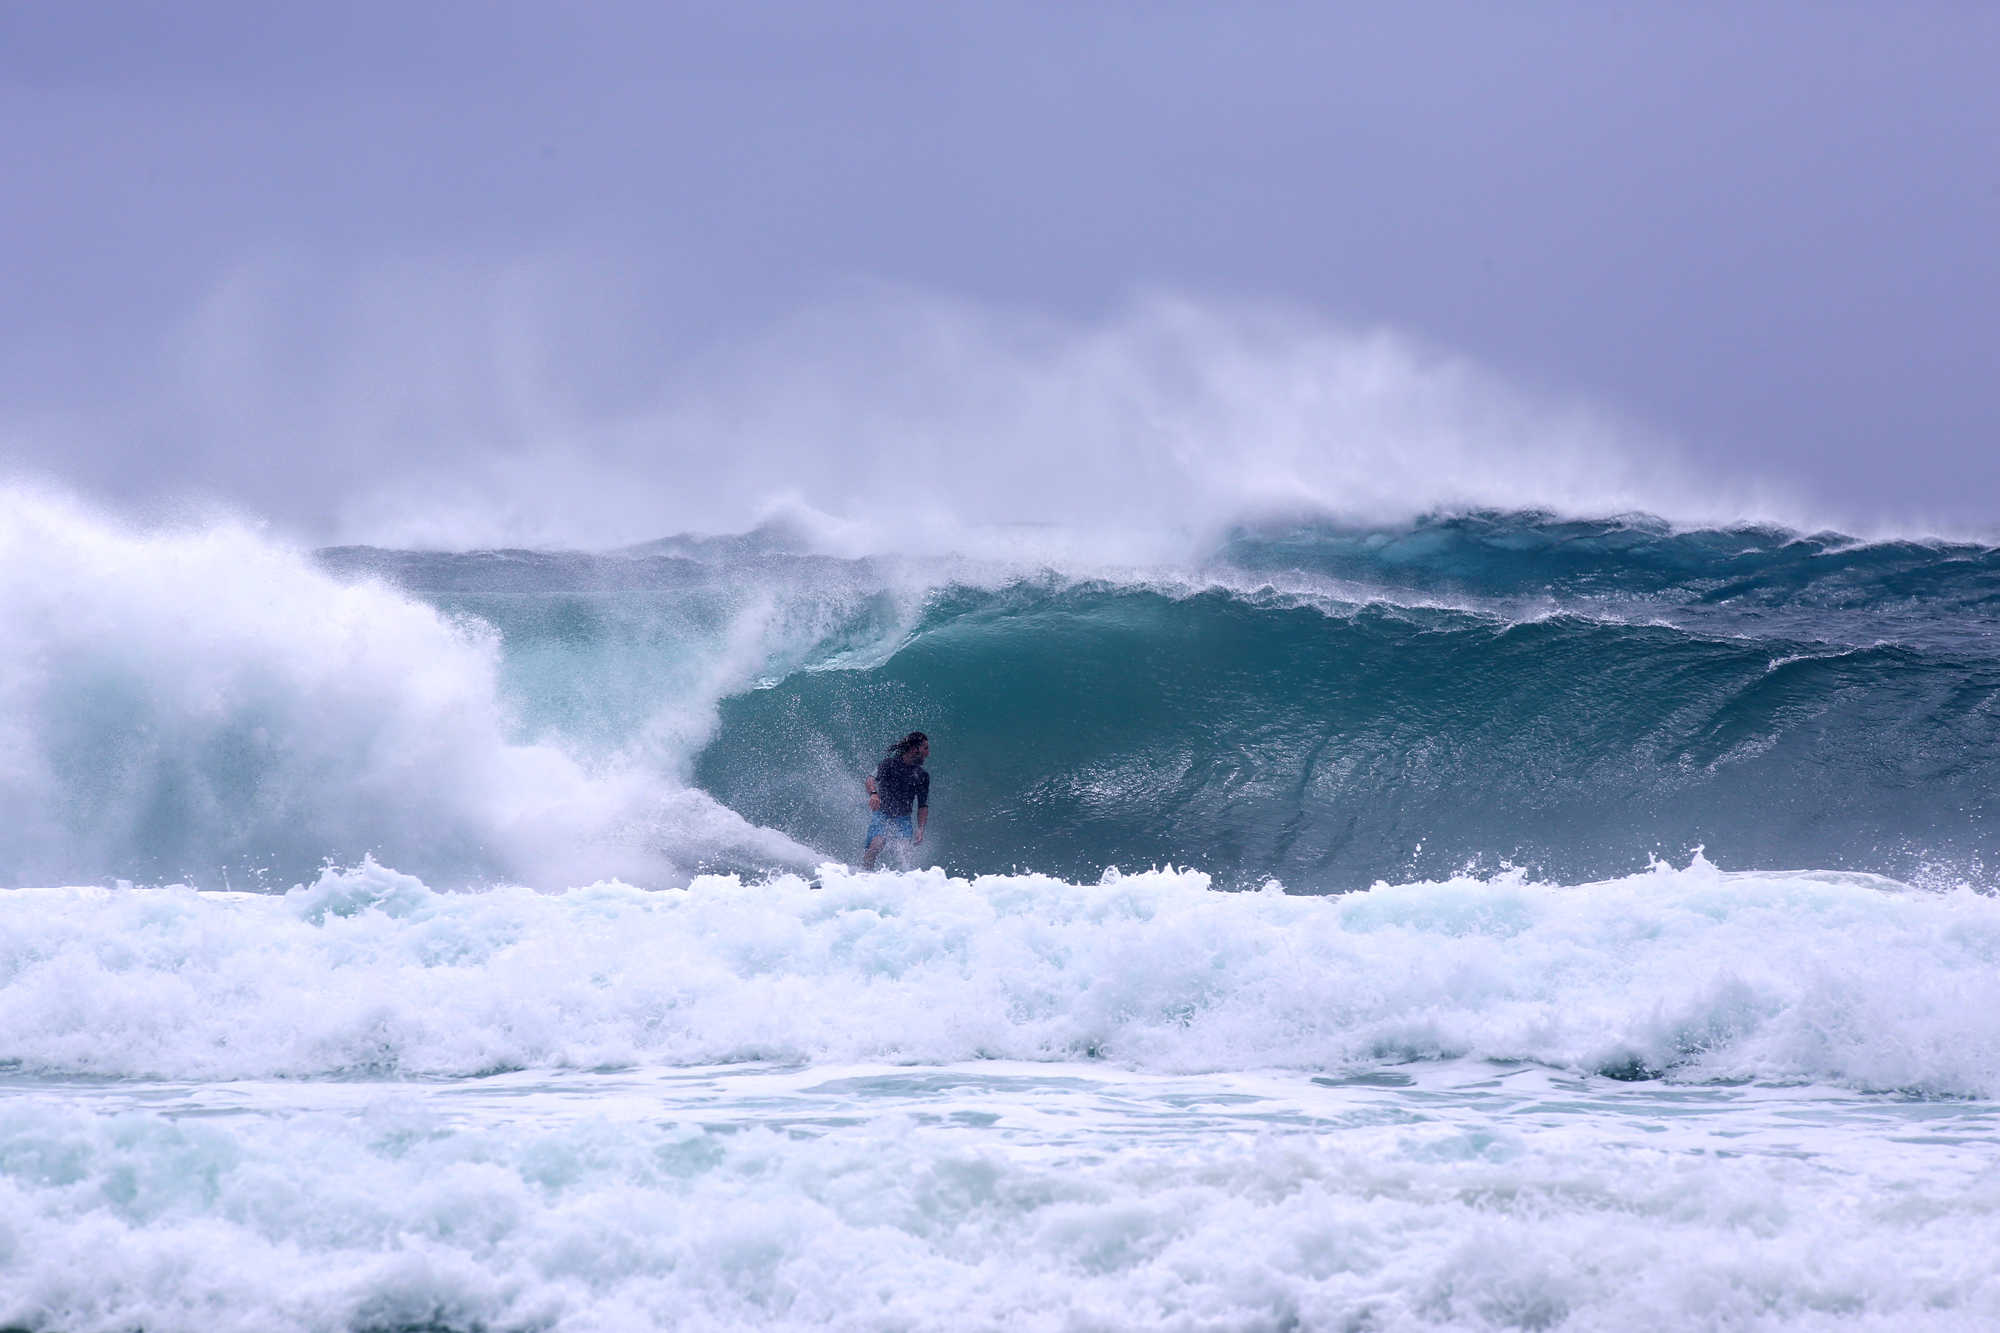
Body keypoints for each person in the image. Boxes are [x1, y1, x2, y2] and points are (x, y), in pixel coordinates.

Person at [861, 731, 930, 870]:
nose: (928, 753)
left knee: (905, 851)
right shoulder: (889, 764)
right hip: (882, 815)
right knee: (877, 844)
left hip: (903, 819)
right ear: (914, 749)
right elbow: (870, 779)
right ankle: (864, 875)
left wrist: (921, 829)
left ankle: (905, 883)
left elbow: (922, 806)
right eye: (925, 748)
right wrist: (874, 794)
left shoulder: (922, 775)